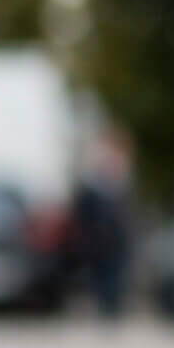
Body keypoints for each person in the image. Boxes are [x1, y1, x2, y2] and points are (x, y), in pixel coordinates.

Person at [72, 130, 135, 320]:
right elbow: (83, 214)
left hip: (116, 243)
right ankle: (105, 310)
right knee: (100, 278)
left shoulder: (123, 183)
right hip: (97, 244)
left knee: (115, 278)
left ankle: (112, 310)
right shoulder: (92, 185)